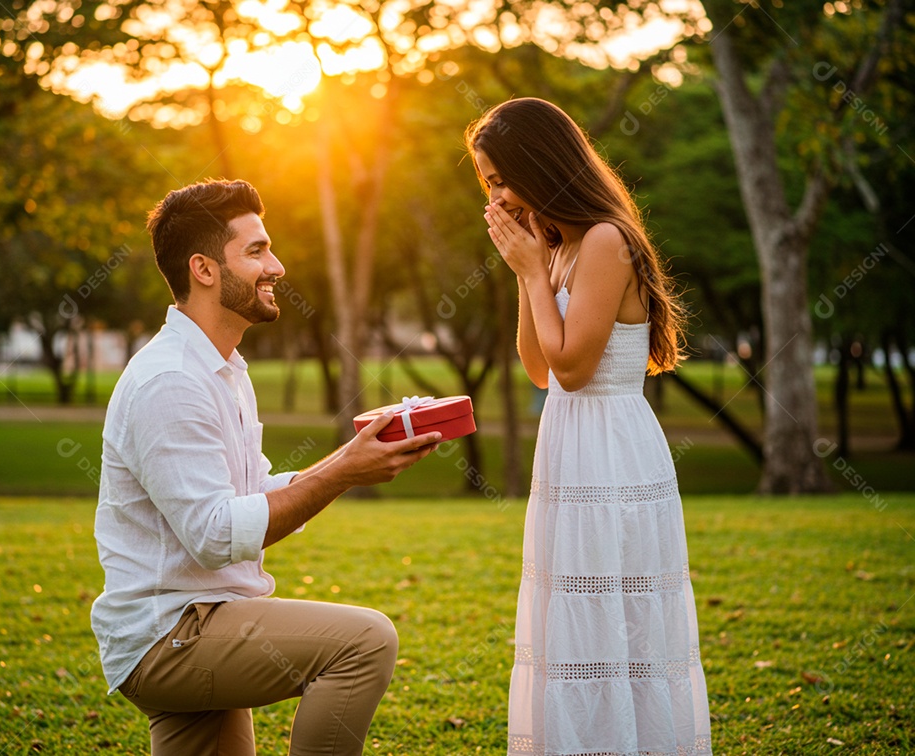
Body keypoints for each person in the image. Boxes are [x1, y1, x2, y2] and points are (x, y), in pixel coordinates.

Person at [90, 179, 442, 755]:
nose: (276, 266)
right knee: (364, 642)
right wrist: (345, 472)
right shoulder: (172, 380)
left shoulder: (222, 368)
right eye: (255, 251)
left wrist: (356, 457)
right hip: (173, 633)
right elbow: (215, 535)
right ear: (204, 269)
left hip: (202, 619)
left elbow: (249, 494)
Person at [466, 98, 712, 755]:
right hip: (569, 446)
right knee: (573, 615)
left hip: (612, 447)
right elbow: (537, 369)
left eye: (499, 179)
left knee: (618, 616)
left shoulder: (606, 239)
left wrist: (530, 271)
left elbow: (573, 369)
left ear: (540, 165)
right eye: (488, 183)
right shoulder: (561, 245)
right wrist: (531, 269)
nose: (495, 195)